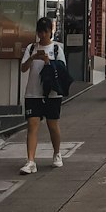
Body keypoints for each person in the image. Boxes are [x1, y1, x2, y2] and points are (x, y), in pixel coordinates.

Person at [18, 16, 65, 174]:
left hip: (51, 94)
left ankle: (57, 153)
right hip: (33, 93)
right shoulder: (31, 48)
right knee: (32, 125)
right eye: (40, 31)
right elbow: (23, 68)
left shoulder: (57, 49)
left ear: (50, 32)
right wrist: (32, 58)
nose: (43, 35)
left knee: (53, 125)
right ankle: (30, 161)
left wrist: (48, 62)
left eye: (45, 31)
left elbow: (62, 70)